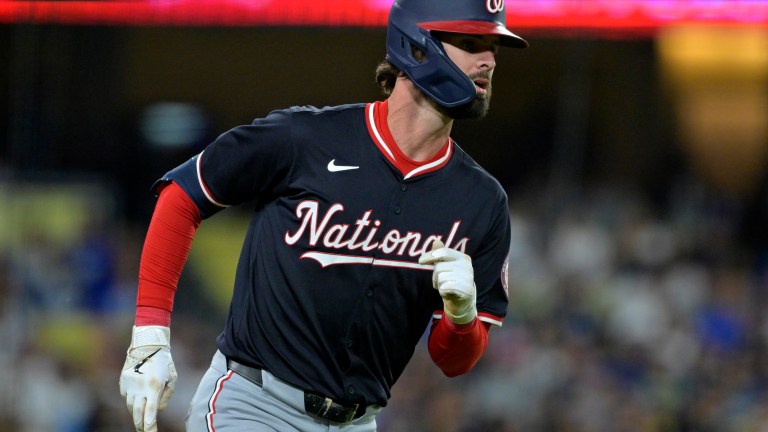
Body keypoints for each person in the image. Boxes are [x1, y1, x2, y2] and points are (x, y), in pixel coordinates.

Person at [119, 0, 528, 430]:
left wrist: (461, 317)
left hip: (358, 422)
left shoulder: (482, 201)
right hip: (256, 404)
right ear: (417, 47)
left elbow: (454, 362)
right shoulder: (305, 139)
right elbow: (182, 196)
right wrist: (149, 335)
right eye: (470, 42)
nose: (489, 60)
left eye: (494, 48)